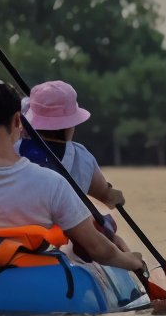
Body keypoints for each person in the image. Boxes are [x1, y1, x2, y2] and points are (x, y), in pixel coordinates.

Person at [0, 54, 147, 276]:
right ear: (18, 120)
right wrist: (131, 261)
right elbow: (99, 249)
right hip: (31, 277)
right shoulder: (52, 184)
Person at [18, 79, 130, 251]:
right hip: (67, 240)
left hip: (19, 238)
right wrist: (111, 194)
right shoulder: (81, 156)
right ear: (70, 125)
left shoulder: (12, 150)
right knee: (116, 240)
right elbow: (103, 193)